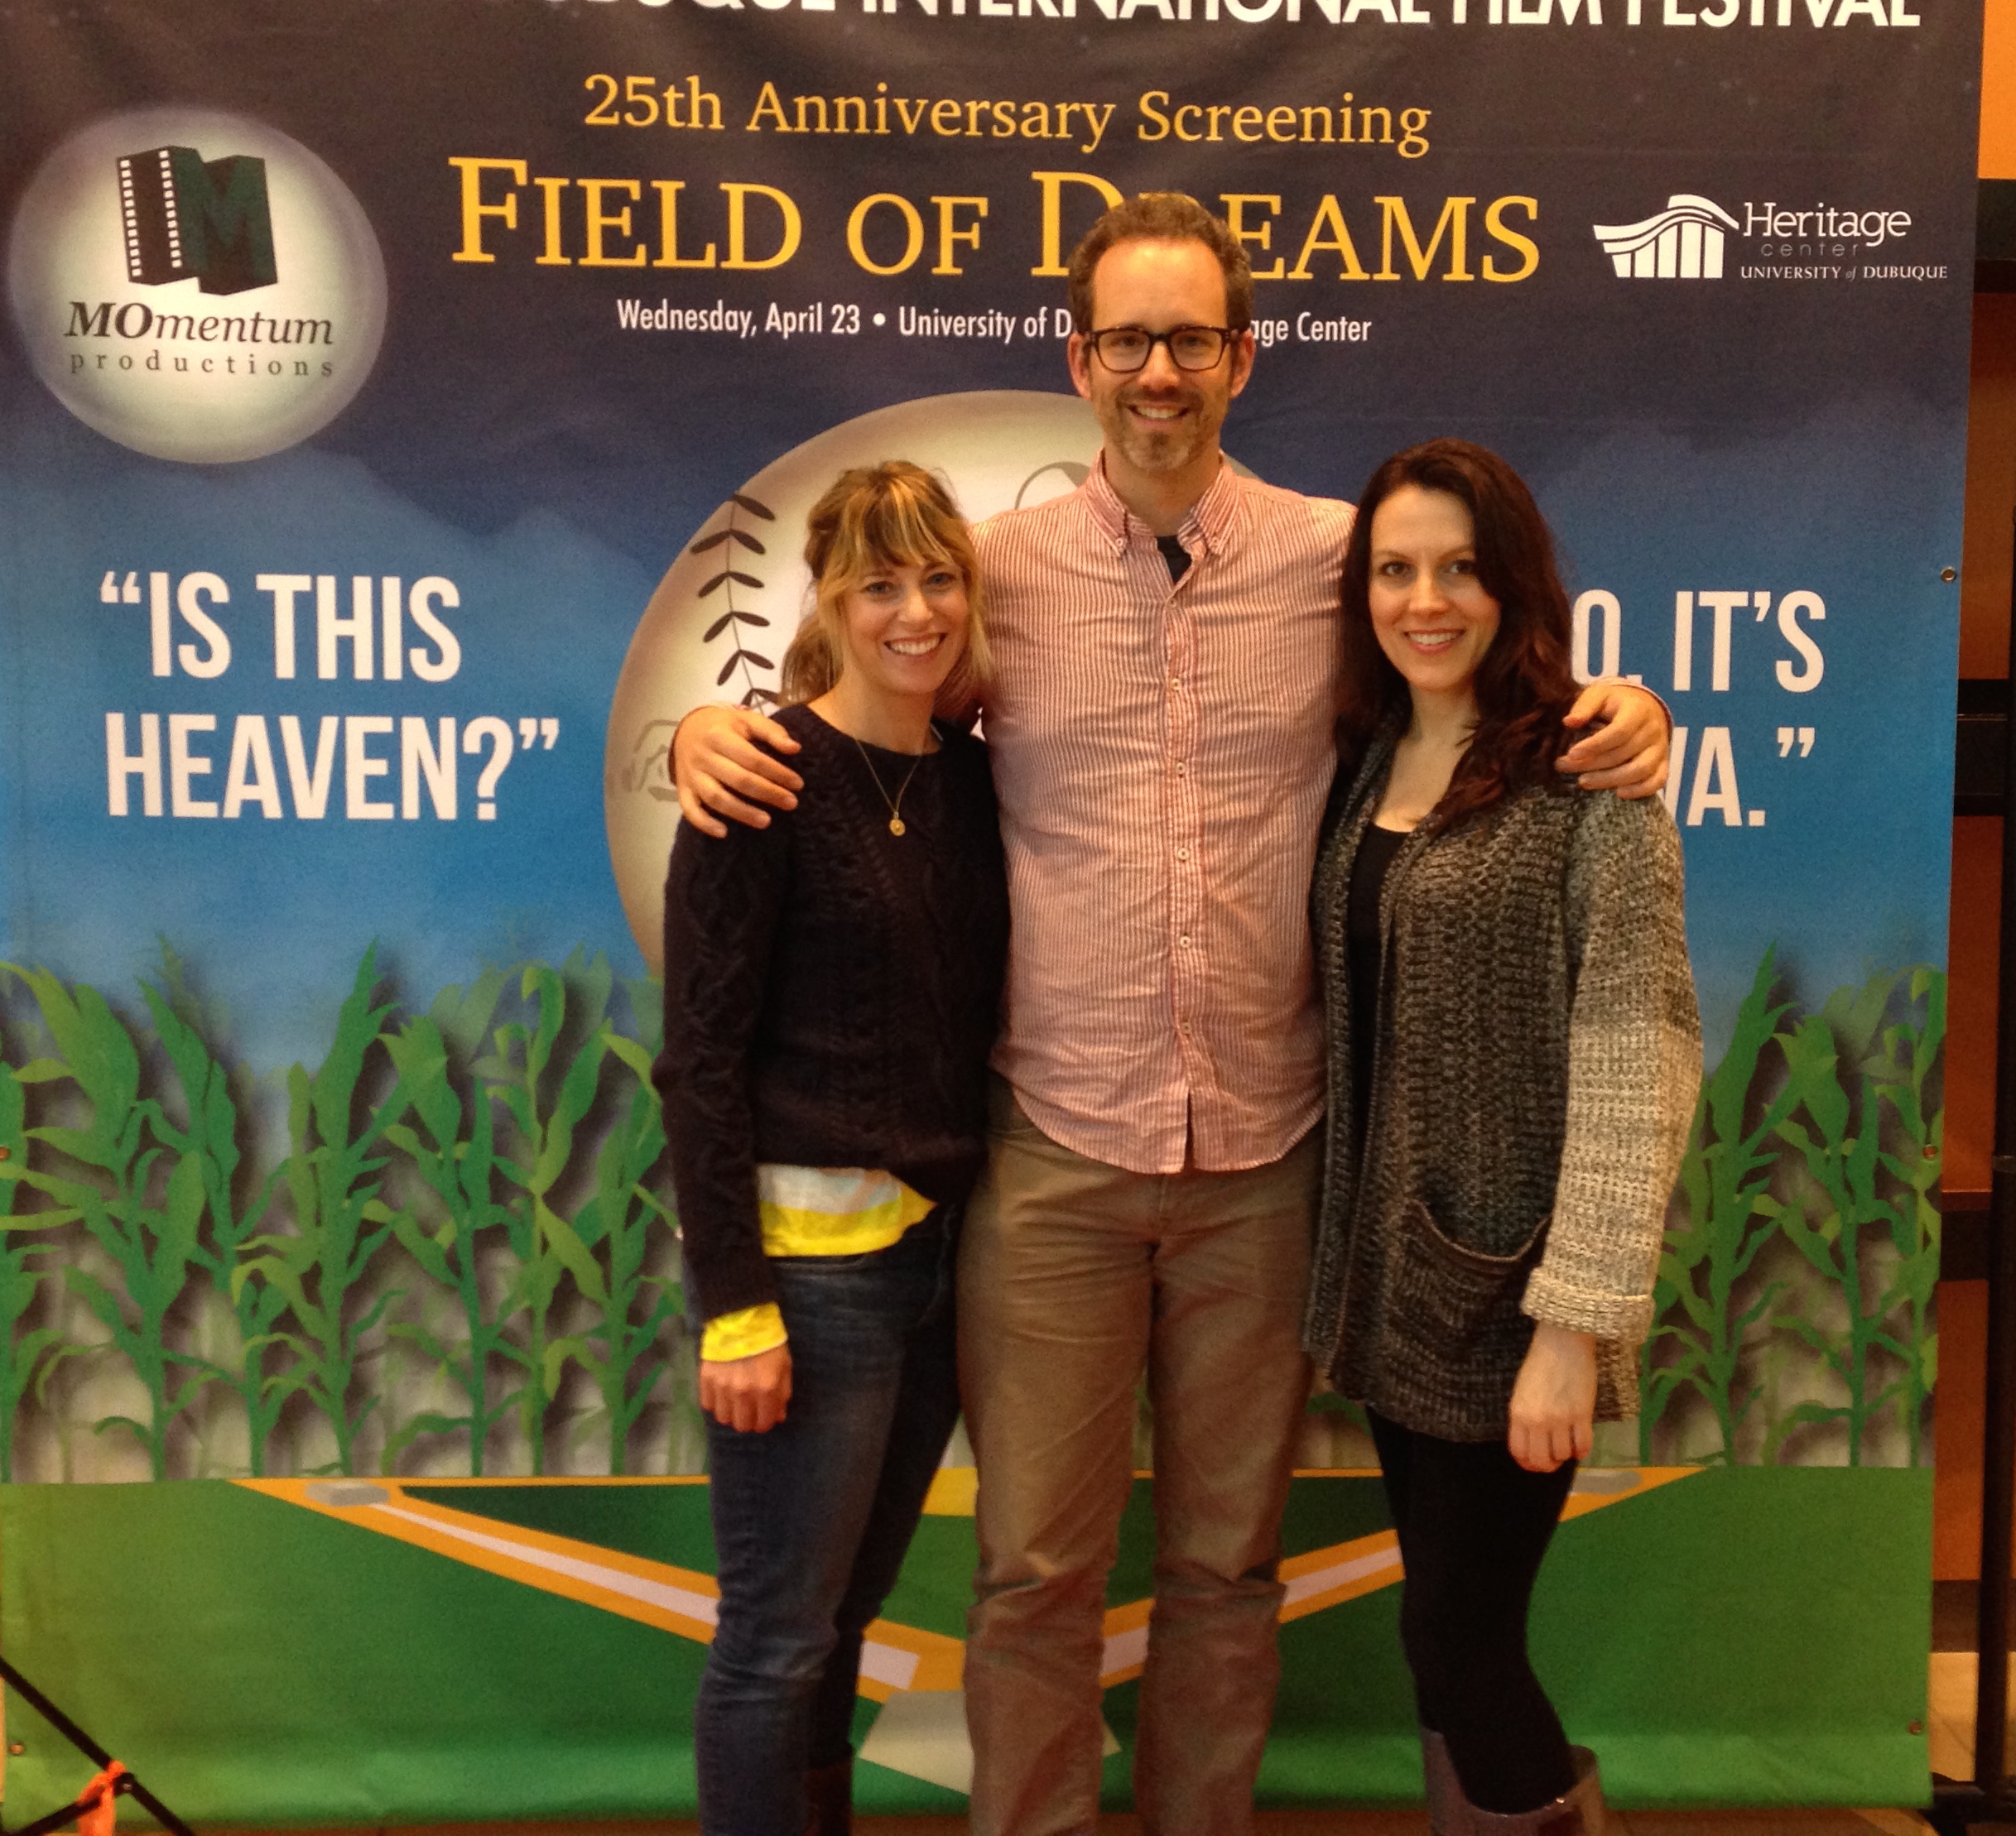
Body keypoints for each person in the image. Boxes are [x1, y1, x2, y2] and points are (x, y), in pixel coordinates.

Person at [673, 194, 1673, 1836]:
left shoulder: (1340, 563)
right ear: (1080, 359)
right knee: (1037, 1570)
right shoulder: (995, 579)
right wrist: (704, 743)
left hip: (1271, 1165)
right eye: (1127, 339)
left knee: (1226, 1564)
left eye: (1190, 338)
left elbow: (1478, 664)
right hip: (1050, 1157)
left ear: (1241, 356)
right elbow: (853, 712)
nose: (1158, 370)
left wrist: (1621, 709)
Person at [1304, 440, 1699, 1836]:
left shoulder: (1584, 777)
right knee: (1436, 1632)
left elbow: (1635, 1050)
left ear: (1514, 582)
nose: (1425, 599)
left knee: (1464, 1643)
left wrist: (1571, 1325)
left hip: (1516, 1298)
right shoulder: (1367, 757)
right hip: (1401, 1288)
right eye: (1395, 569)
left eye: (1459, 568)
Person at [654, 460, 1009, 1836]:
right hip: (802, 1287)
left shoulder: (975, 781)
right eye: (879, 583)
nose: (913, 611)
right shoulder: (759, 777)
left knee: (843, 1610)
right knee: (775, 1635)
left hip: (934, 1271)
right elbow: (699, 1062)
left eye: (936, 577)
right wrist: (733, 1306)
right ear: (830, 597)